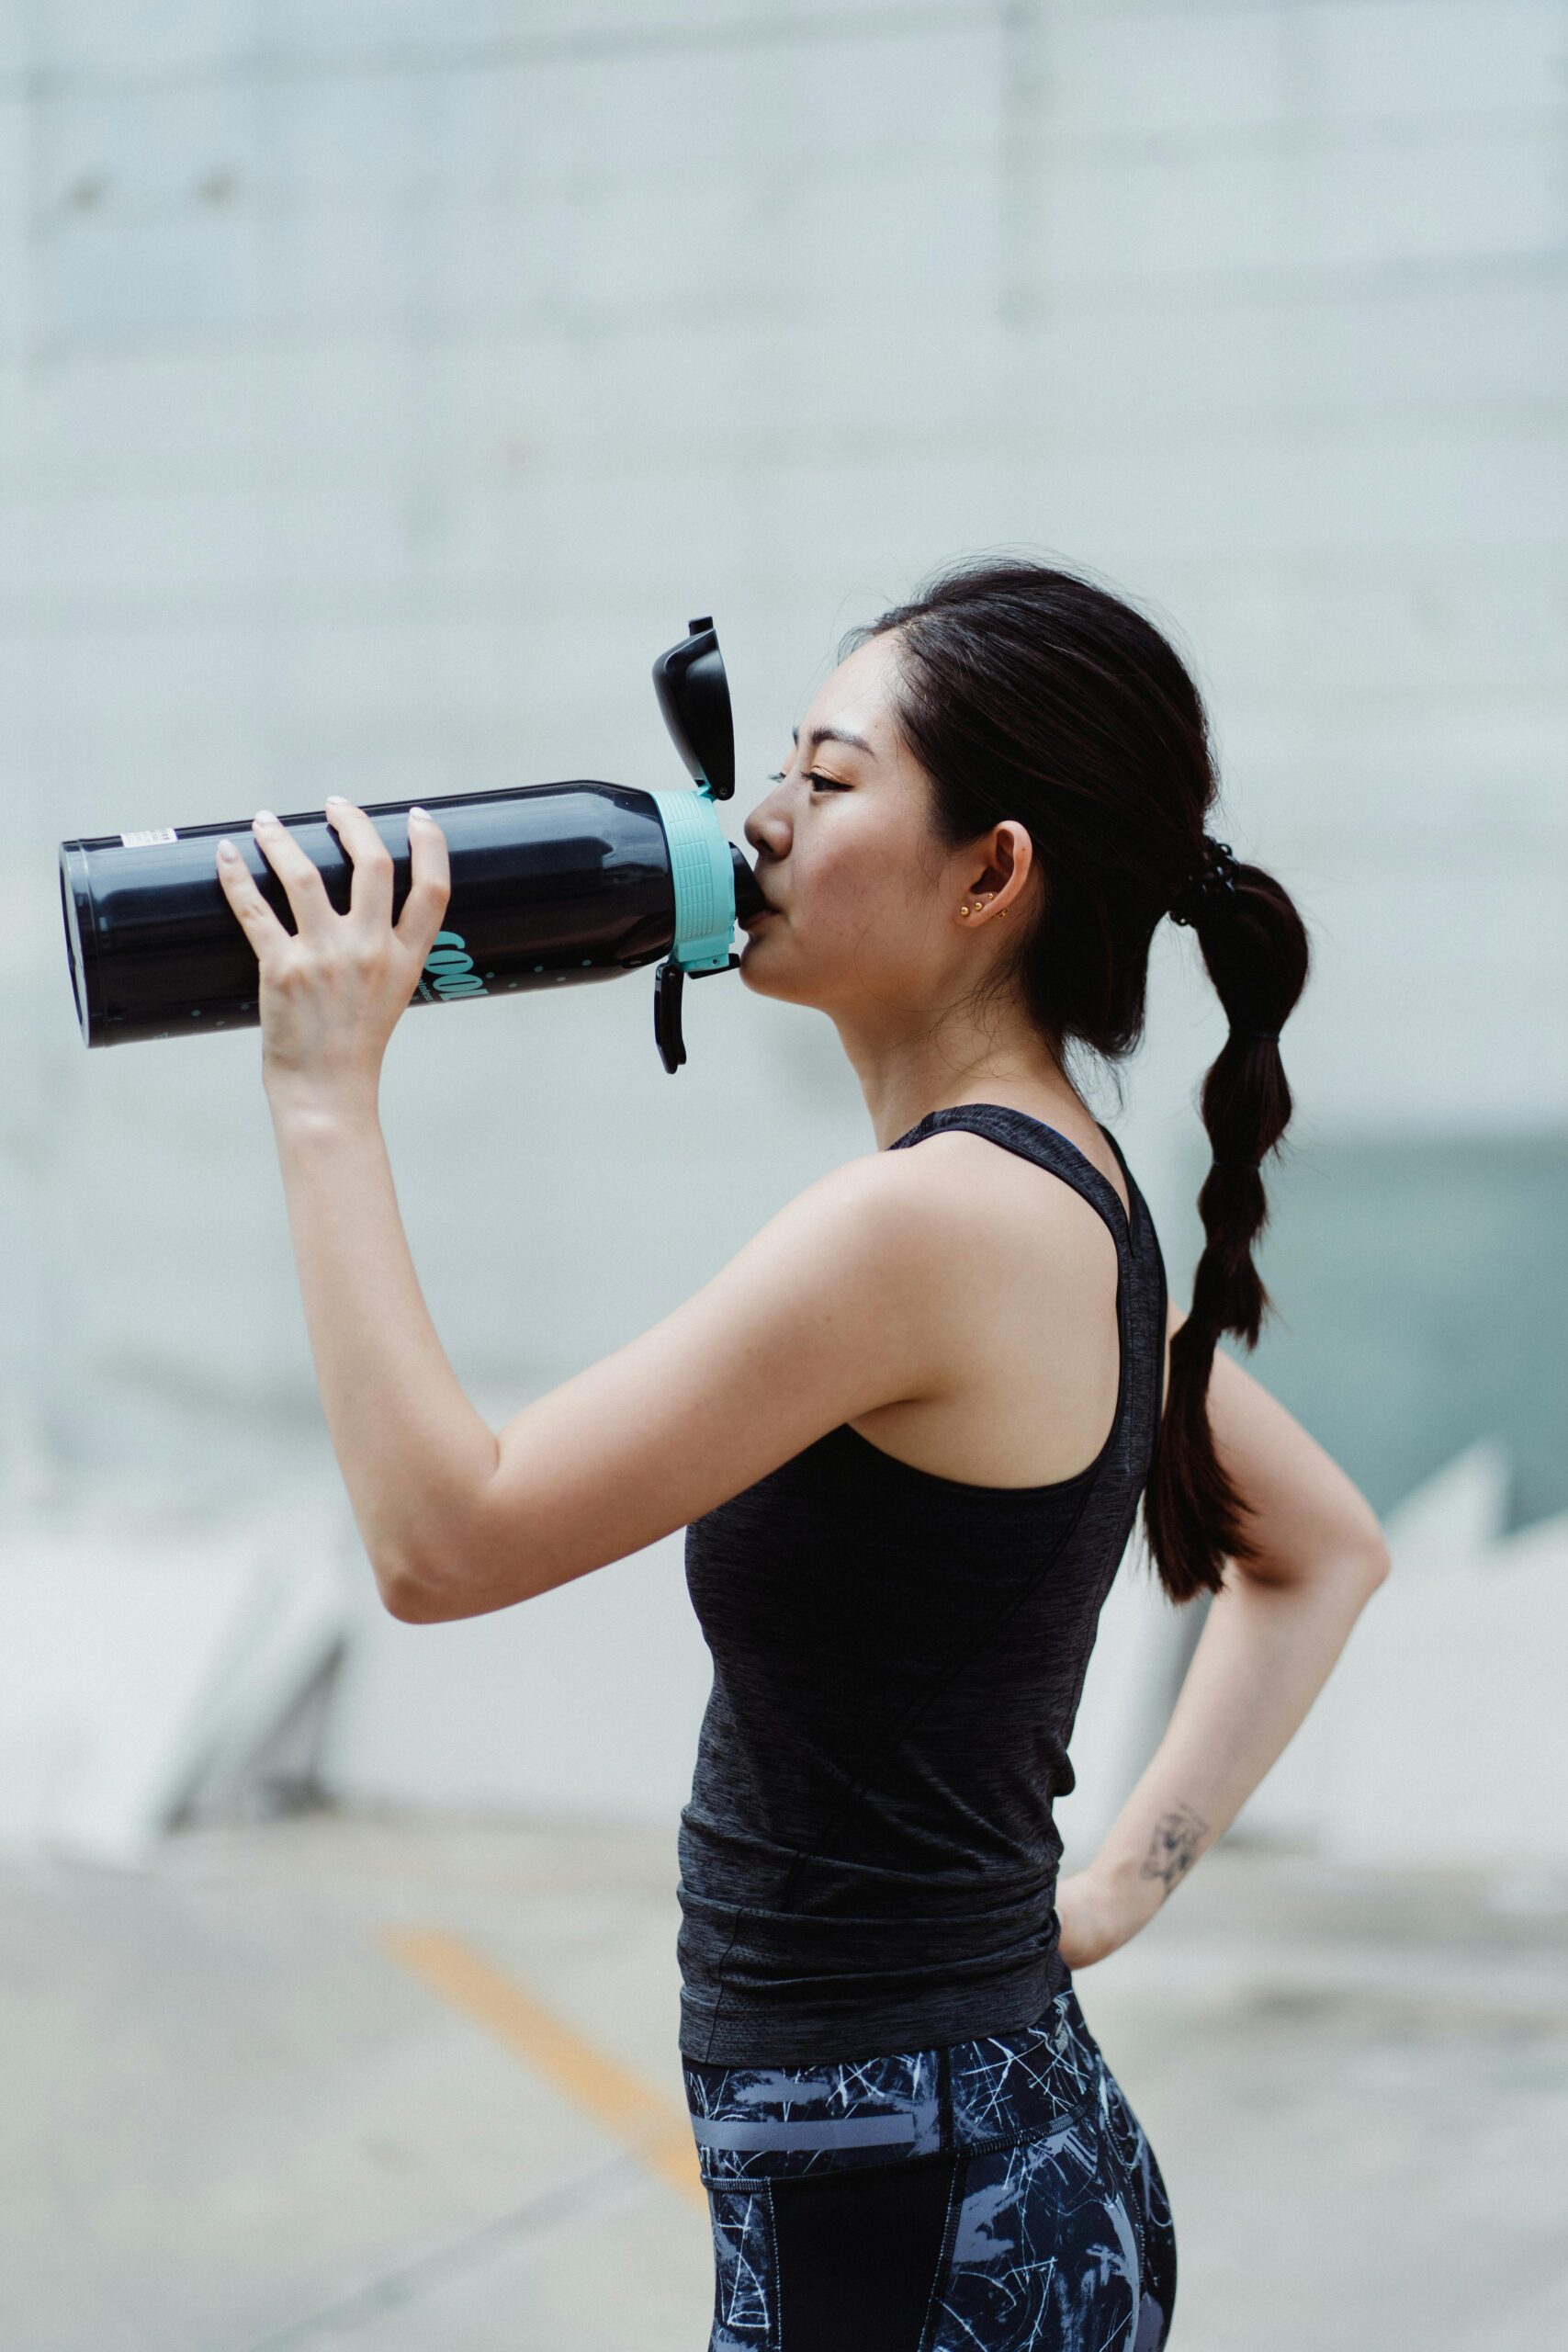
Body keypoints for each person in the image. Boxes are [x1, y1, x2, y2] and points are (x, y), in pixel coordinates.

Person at [218, 554, 1393, 2352]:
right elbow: (1321, 1545)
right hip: (963, 2170)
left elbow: (440, 1540)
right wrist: (1103, 1894)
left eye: (826, 782)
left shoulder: (920, 1230)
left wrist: (321, 1095)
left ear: (990, 871)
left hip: (907, 2211)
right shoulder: (1059, 1196)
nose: (753, 822)